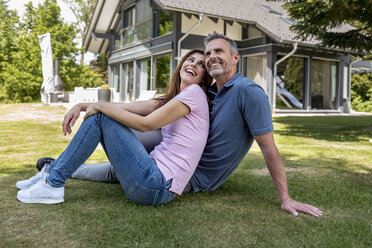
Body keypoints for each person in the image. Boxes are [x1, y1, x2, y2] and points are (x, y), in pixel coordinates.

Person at [36, 31, 323, 217]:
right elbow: (142, 106)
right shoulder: (210, 92)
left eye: (217, 52)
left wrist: (285, 198)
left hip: (187, 176)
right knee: (116, 164)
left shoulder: (248, 92)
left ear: (236, 58)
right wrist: (86, 104)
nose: (211, 58)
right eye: (206, 54)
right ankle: (57, 167)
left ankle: (56, 177)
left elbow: (269, 148)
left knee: (110, 124)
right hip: (173, 158)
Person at [16, 49, 213, 205]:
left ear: (204, 76)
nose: (193, 64)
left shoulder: (195, 93)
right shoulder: (171, 100)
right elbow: (127, 107)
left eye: (201, 64)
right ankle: (51, 174)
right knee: (102, 114)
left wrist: (99, 107)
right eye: (190, 60)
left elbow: (146, 124)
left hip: (157, 185)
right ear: (182, 65)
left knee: (101, 117)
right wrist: (81, 106)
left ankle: (53, 183)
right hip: (153, 181)